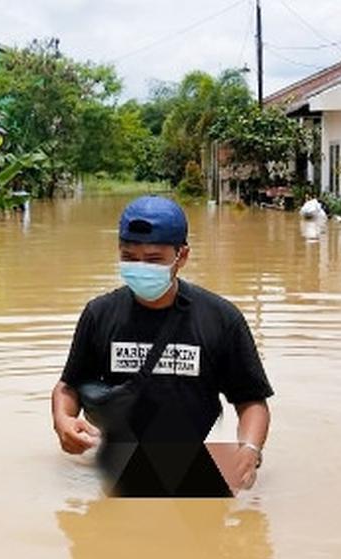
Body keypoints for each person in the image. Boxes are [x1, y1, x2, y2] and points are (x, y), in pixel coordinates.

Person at [51, 196, 273, 496]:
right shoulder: (99, 314)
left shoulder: (221, 318)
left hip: (193, 463)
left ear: (181, 256)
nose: (140, 267)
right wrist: (63, 420)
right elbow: (69, 386)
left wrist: (248, 450)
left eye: (153, 259)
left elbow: (251, 402)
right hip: (116, 464)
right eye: (129, 257)